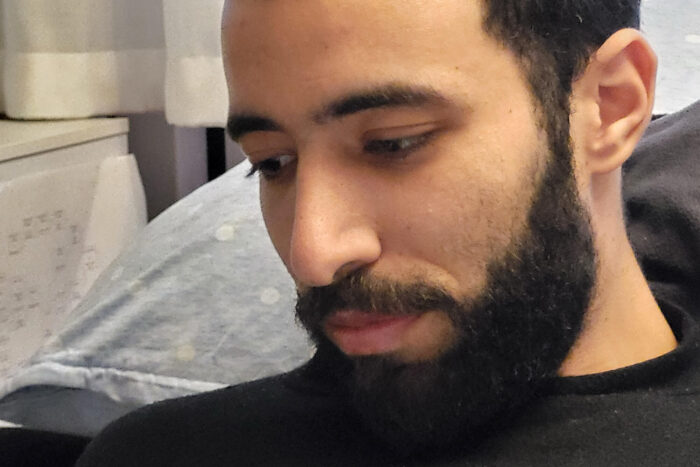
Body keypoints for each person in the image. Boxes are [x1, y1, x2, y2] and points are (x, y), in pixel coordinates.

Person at [76, 1, 700, 465]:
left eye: (393, 144)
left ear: (610, 106)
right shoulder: (159, 453)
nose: (312, 255)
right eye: (272, 162)